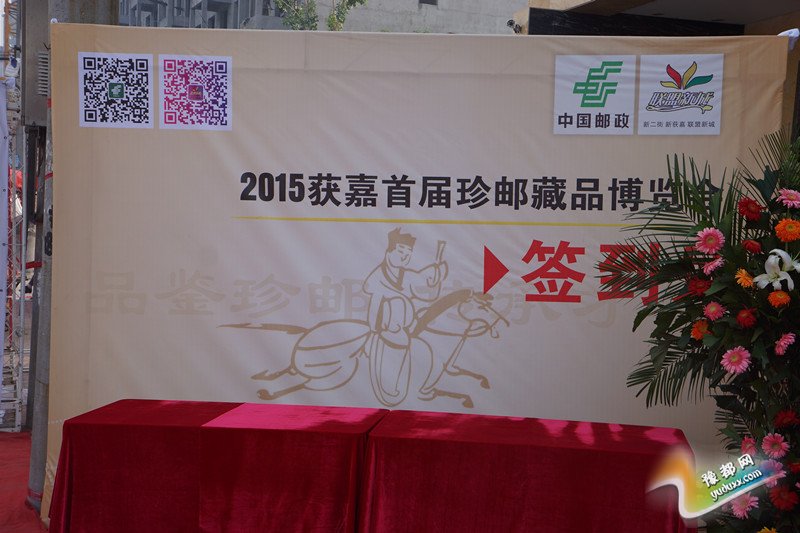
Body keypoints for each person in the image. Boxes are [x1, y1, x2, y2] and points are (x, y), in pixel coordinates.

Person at [362, 228, 447, 405]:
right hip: (383, 335)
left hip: (403, 334)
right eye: (401, 252)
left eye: (408, 254)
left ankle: (417, 391)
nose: (404, 257)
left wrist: (436, 275)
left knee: (425, 359)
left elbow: (426, 287)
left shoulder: (405, 275)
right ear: (389, 251)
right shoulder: (378, 276)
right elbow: (369, 287)